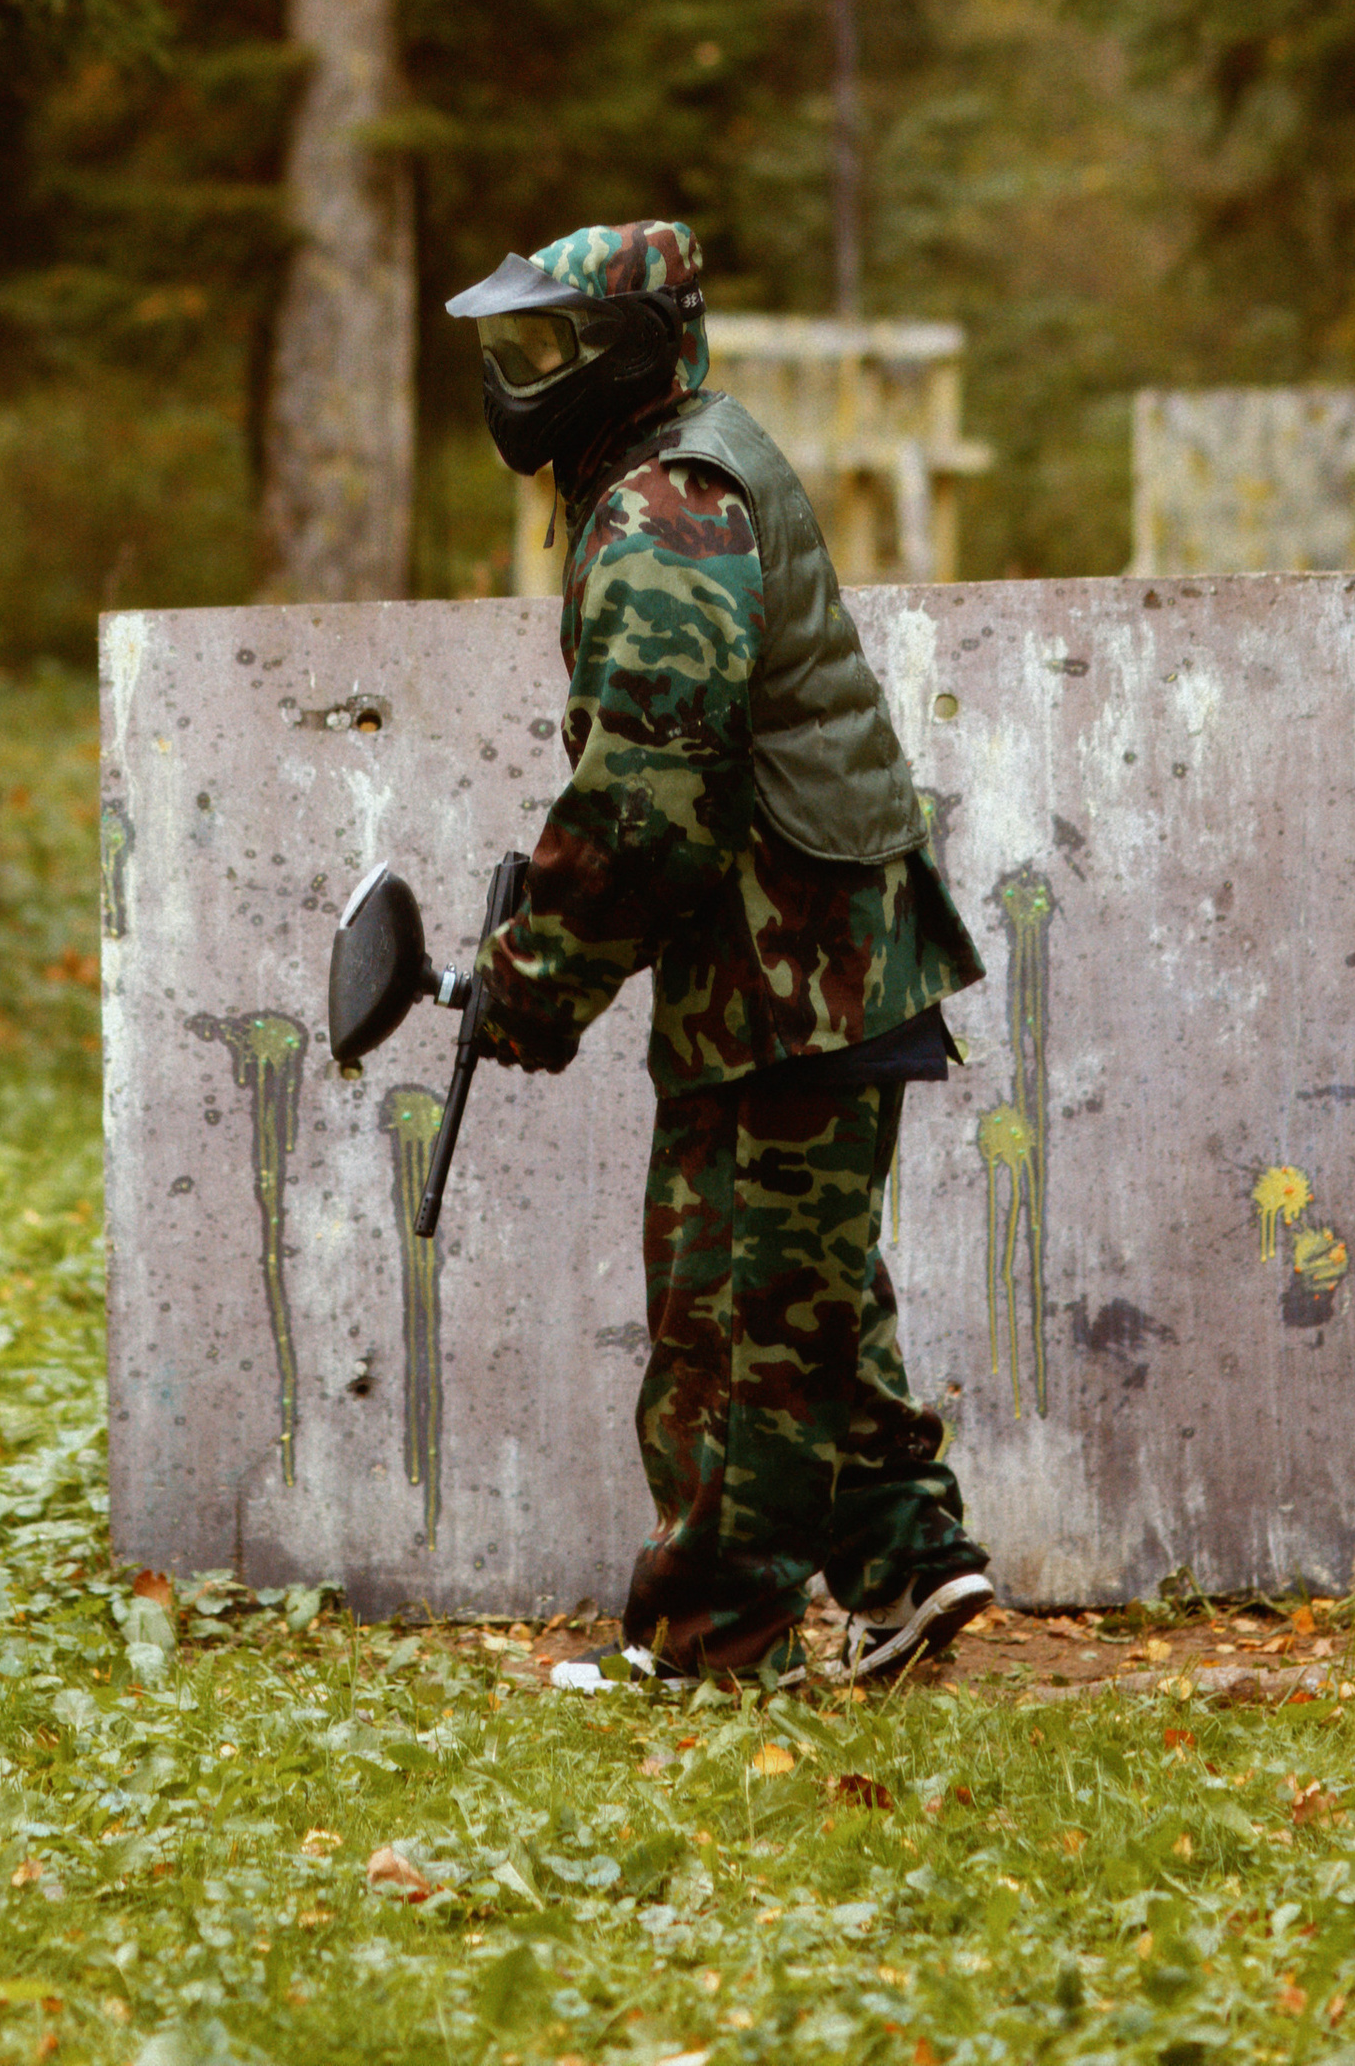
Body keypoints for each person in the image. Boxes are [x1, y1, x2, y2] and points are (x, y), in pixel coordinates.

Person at [444, 215, 994, 1689]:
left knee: (733, 1325)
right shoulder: (677, 467)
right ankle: (910, 1569)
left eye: (543, 349)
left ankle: (712, 1650)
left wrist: (534, 978)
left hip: (789, 970)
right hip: (813, 959)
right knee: (803, 1288)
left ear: (626, 349)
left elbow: (650, 793)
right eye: (507, 350)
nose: (518, 378)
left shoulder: (669, 503)